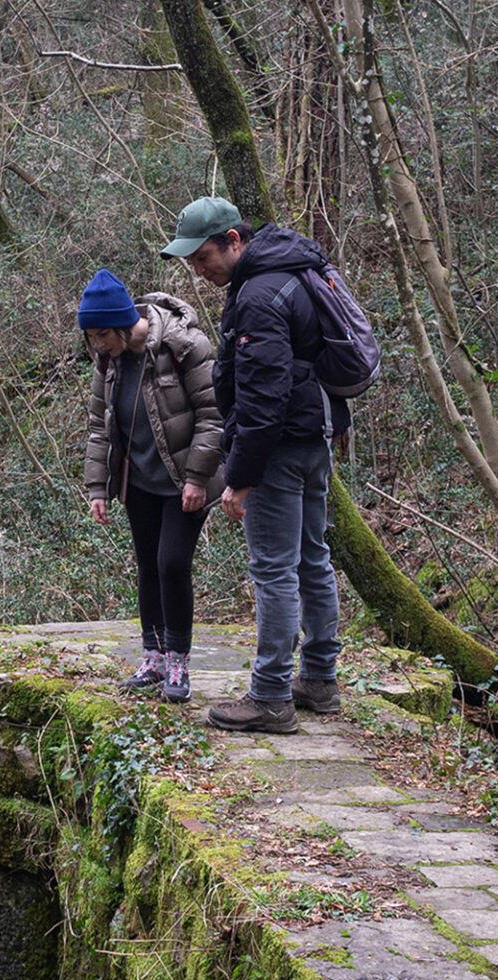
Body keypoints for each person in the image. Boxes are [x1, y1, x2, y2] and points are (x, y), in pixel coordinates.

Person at [162, 197, 342, 733]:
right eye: (191, 262)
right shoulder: (292, 272)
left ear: (234, 241)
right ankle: (319, 679)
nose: (198, 269)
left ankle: (269, 695)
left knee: (274, 568)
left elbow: (263, 397)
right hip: (315, 435)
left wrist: (240, 478)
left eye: (203, 256)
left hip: (279, 447)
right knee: (313, 558)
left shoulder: (259, 296)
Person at [77, 268, 223, 703]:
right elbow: (99, 428)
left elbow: (214, 417)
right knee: (147, 567)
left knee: (172, 564)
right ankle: (153, 658)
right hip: (138, 481)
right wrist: (98, 487)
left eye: (102, 335)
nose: (98, 346)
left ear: (123, 323)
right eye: (93, 338)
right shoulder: (108, 362)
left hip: (183, 481)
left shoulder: (184, 346)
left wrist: (198, 477)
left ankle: (178, 661)